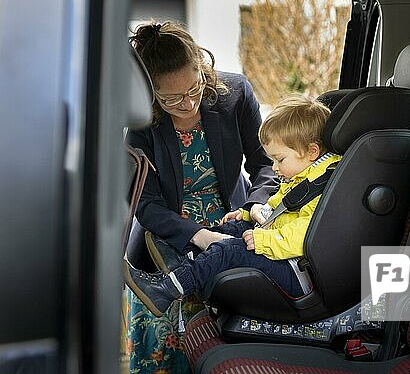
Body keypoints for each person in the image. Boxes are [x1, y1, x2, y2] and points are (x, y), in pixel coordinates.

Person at [125, 20, 277, 374]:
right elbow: (145, 203)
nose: (188, 103)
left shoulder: (235, 94)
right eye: (172, 98)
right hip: (166, 238)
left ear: (202, 69)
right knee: (163, 345)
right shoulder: (141, 122)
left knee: (221, 339)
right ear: (151, 93)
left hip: (231, 227)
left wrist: (256, 203)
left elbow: (264, 162)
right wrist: (198, 235)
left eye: (194, 89)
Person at [123, 94, 342, 316]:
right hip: (283, 253)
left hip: (296, 271)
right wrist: (248, 213)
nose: (274, 167)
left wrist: (262, 239)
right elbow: (282, 208)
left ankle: (166, 290)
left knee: (231, 249)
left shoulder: (324, 184)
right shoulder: (307, 174)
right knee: (232, 230)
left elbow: (305, 235)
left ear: (312, 152)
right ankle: (188, 258)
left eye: (280, 160)